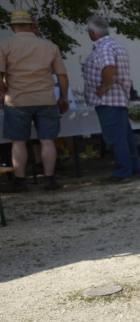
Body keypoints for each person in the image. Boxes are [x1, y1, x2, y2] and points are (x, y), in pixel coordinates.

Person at [0, 10, 69, 191]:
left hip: (17, 100)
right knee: (47, 140)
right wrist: (63, 97)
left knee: (18, 141)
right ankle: (50, 179)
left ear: (12, 27)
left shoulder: (5, 45)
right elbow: (62, 76)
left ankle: (20, 181)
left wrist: (2, 92)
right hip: (45, 99)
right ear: (32, 26)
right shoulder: (50, 46)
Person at [83, 15, 140, 183]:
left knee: (115, 138)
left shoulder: (103, 47)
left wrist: (104, 86)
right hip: (119, 98)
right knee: (125, 136)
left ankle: (122, 172)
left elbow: (108, 67)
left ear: (93, 33)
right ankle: (133, 168)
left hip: (108, 99)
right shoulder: (116, 45)